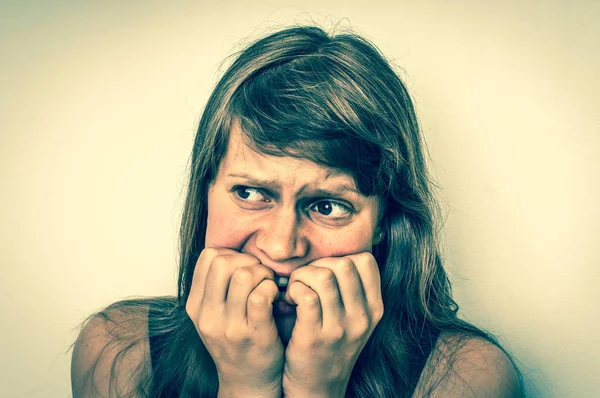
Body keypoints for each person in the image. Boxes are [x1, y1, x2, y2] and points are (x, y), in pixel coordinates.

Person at [70, 25, 523, 397]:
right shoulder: (118, 352)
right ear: (205, 193)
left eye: (328, 206)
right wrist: (246, 387)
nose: (281, 246)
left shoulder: (466, 377)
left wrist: (316, 390)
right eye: (250, 194)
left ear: (384, 223)